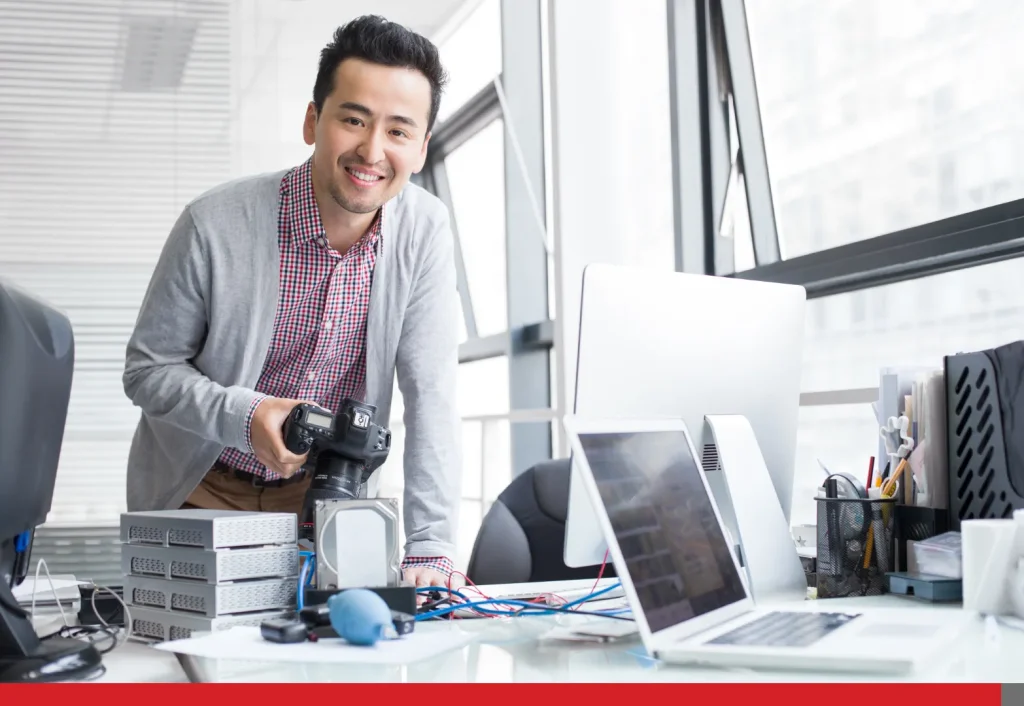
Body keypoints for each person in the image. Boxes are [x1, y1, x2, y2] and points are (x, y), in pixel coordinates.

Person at [122, 15, 461, 589]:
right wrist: (246, 416)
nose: (372, 150)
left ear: (422, 147)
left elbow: (432, 395)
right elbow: (147, 371)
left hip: (329, 498)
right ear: (313, 121)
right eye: (353, 119)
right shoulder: (213, 224)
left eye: (399, 131)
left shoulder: (424, 232)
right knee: (190, 670)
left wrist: (432, 546)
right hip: (201, 488)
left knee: (328, 667)